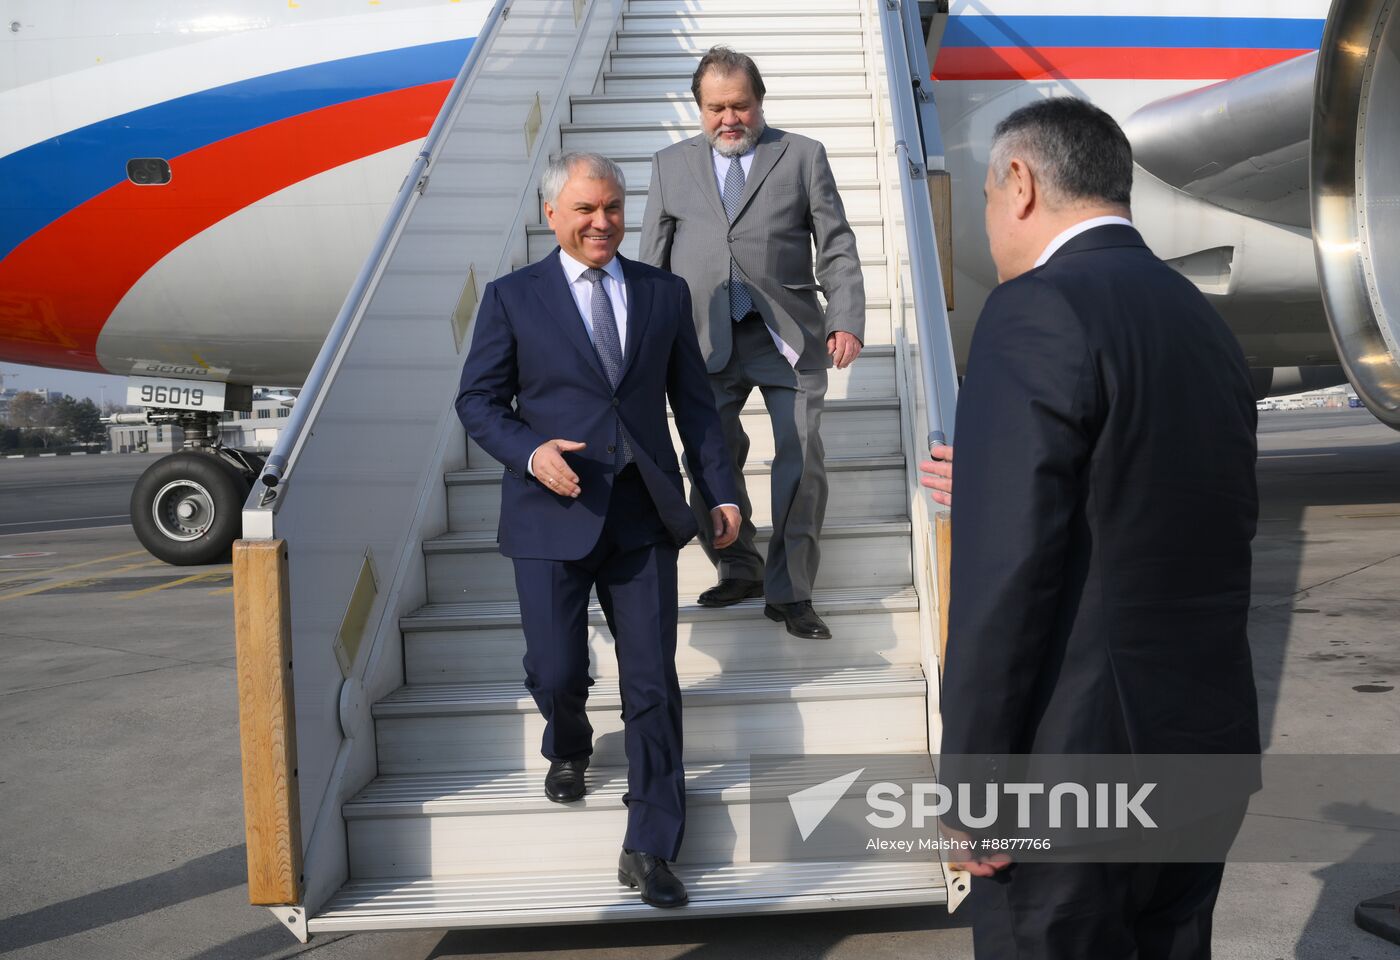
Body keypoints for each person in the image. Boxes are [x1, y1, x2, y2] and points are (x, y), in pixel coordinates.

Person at [919, 99, 1260, 958]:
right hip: (1201, 750)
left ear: (1021, 185)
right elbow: (1170, 496)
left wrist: (973, 789)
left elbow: (1004, 585)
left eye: (991, 200)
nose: (993, 225)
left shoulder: (1034, 308)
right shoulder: (1201, 322)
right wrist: (998, 476)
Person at [455, 152, 741, 909]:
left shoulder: (663, 293)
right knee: (556, 673)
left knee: (651, 682)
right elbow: (478, 402)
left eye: (612, 207)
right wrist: (530, 451)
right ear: (553, 215)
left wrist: (720, 490)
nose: (601, 222)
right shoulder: (513, 298)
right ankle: (569, 742)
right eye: (585, 210)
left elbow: (696, 405)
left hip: (642, 515)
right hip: (551, 514)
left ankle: (650, 843)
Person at [640, 46, 866, 640]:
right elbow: (650, 266)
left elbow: (836, 244)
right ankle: (738, 564)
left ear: (759, 102)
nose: (729, 119)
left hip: (786, 333)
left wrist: (845, 317)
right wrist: (648, 342)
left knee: (800, 457)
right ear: (700, 109)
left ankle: (791, 591)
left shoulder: (802, 156)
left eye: (740, 105)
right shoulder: (668, 166)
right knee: (710, 458)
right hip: (701, 339)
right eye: (716, 108)